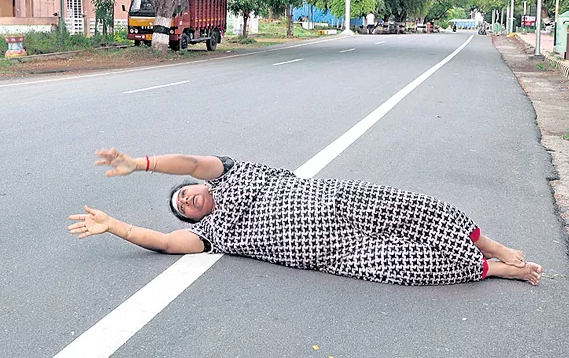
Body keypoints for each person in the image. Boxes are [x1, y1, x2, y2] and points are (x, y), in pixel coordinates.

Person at [68, 149, 543, 286]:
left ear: (200, 188)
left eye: (186, 195)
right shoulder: (213, 233)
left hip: (344, 200)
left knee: (423, 211)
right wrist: (116, 227)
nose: (187, 201)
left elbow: (191, 163)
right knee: (417, 266)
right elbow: (168, 243)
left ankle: (492, 245)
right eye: (182, 209)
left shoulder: (232, 174)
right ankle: (497, 269)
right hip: (337, 252)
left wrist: (140, 164)